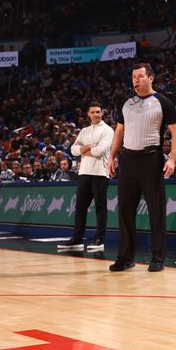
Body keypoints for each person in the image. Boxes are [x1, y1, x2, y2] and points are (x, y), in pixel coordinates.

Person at [108, 63, 176, 272]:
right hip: (127, 160)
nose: (136, 80)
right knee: (125, 211)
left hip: (151, 159)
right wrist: (112, 157)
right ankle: (125, 257)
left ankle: (157, 258)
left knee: (156, 211)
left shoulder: (163, 102)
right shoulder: (126, 103)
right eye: (133, 77)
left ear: (151, 78)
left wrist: (171, 158)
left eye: (140, 76)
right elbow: (119, 132)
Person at [57, 103, 114, 254]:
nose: (96, 114)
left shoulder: (108, 130)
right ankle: (77, 239)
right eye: (93, 112)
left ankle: (99, 240)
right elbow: (73, 150)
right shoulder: (84, 131)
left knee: (100, 208)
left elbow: (100, 151)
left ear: (102, 113)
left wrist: (85, 150)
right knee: (80, 208)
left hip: (100, 173)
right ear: (88, 114)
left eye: (98, 112)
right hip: (84, 172)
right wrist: (87, 148)